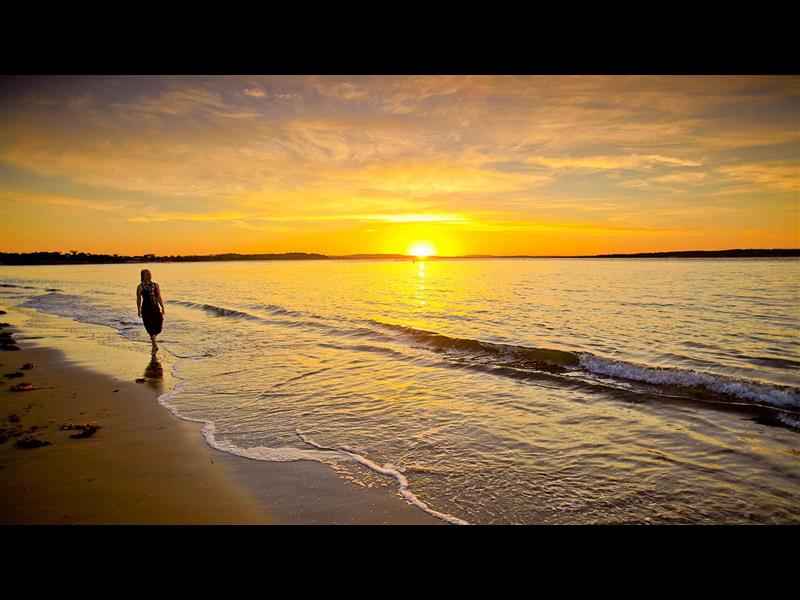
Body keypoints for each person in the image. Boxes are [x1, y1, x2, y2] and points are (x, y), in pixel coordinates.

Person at [137, 269, 165, 351]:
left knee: (159, 327)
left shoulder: (155, 285)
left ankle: (153, 341)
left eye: (150, 274)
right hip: (146, 309)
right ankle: (154, 344)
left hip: (155, 308)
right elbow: (138, 299)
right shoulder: (140, 287)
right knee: (150, 327)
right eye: (147, 274)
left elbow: (158, 296)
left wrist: (162, 307)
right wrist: (138, 310)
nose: (149, 275)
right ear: (143, 276)